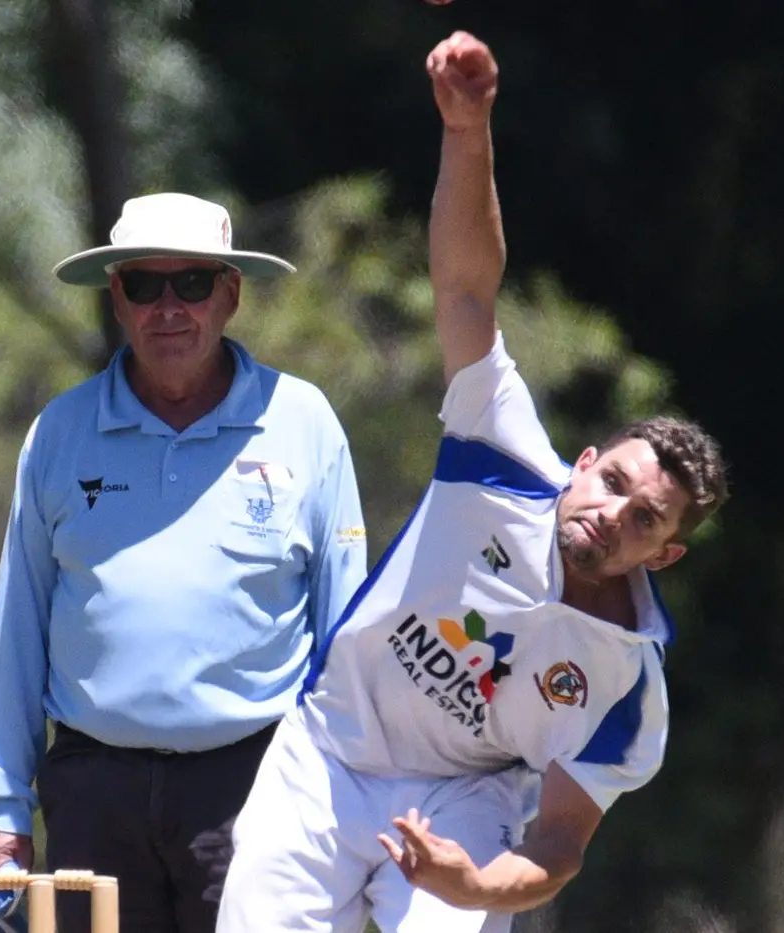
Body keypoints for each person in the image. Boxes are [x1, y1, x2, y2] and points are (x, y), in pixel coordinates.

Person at [216, 30, 730, 933]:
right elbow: (463, 291)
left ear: (664, 553)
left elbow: (559, 842)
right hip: (329, 752)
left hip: (464, 799)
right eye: (612, 480)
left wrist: (474, 886)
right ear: (582, 464)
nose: (612, 513)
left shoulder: (625, 681)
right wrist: (467, 128)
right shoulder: (504, 453)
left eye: (646, 518)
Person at [0, 191, 370, 933]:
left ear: (231, 293)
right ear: (118, 297)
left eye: (193, 282)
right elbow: (18, 629)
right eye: (146, 284)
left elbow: (347, 636)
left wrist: (356, 793)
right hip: (94, 792)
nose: (169, 307)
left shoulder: (305, 422)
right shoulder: (60, 431)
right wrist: (2, 806)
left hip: (257, 785)